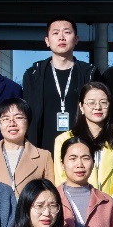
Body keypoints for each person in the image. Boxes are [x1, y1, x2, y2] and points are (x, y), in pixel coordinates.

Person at [52, 81, 113, 223]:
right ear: (81, 107)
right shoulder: (63, 140)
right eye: (91, 103)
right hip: (74, 216)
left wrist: (107, 213)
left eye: (103, 102)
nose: (98, 107)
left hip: (112, 217)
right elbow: (61, 180)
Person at [20, 17, 100, 149]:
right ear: (47, 41)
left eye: (67, 32)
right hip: (42, 150)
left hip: (80, 150)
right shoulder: (33, 75)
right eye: (55, 33)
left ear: (76, 39)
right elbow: (26, 115)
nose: (61, 37)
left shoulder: (89, 73)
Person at [0, 97, 54, 196]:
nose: (12, 123)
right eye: (6, 119)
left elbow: (50, 195)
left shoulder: (44, 157)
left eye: (18, 117)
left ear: (28, 122)